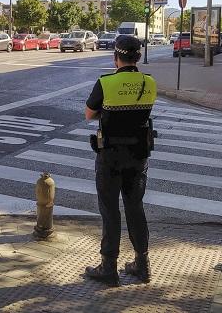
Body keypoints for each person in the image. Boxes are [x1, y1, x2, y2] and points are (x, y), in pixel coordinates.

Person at [84, 35, 157, 286]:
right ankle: (142, 264)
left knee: (110, 210)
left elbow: (89, 114)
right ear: (137, 57)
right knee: (135, 207)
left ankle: (109, 268)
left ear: (116, 57)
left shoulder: (106, 83)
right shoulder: (149, 83)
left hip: (110, 156)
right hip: (138, 156)